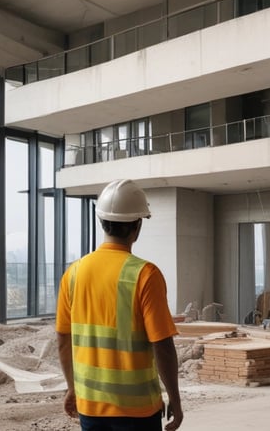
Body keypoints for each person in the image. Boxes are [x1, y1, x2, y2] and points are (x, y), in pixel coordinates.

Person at [56, 179, 183, 431]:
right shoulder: (145, 274)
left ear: (102, 222)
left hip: (90, 405)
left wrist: (73, 387)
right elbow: (163, 346)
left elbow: (63, 340)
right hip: (137, 410)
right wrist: (175, 399)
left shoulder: (73, 273)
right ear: (137, 226)